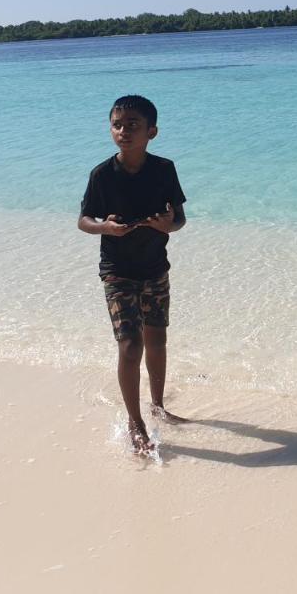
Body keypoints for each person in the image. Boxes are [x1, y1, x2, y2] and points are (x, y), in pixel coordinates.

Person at [78, 95, 187, 453]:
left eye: (132, 125)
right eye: (117, 124)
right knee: (131, 344)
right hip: (117, 271)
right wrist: (105, 228)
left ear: (151, 132)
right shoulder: (102, 175)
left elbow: (180, 219)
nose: (123, 131)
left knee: (157, 340)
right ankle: (135, 421)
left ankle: (157, 405)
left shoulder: (164, 169)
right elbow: (84, 221)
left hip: (155, 268)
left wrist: (169, 225)